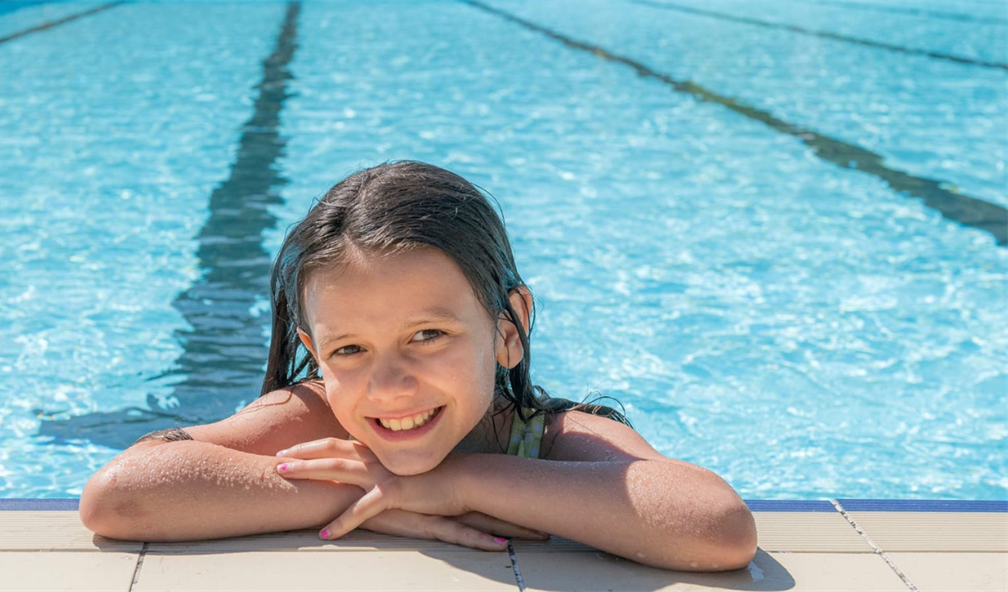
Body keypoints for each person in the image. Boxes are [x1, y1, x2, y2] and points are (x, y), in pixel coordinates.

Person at [80, 161, 757, 571]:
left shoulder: (548, 437)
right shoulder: (315, 414)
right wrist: (371, 492)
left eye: (428, 334)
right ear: (318, 357)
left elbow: (718, 527)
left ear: (507, 330)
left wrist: (457, 480)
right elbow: (122, 494)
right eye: (349, 350)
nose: (388, 384)